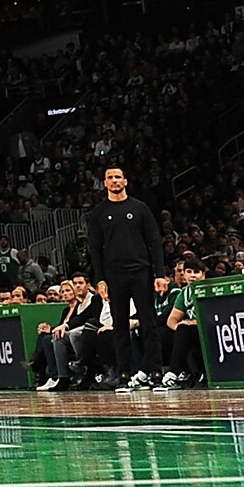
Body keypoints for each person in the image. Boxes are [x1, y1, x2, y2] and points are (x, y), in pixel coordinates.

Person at [83, 165, 165, 388]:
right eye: (110, 177)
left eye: (118, 177)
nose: (115, 181)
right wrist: (99, 279)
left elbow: (154, 241)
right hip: (113, 275)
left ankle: (155, 372)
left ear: (125, 181)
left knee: (148, 323)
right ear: (105, 183)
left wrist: (160, 274)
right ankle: (124, 374)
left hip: (141, 271)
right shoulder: (99, 212)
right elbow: (95, 248)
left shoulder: (139, 208)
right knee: (119, 326)